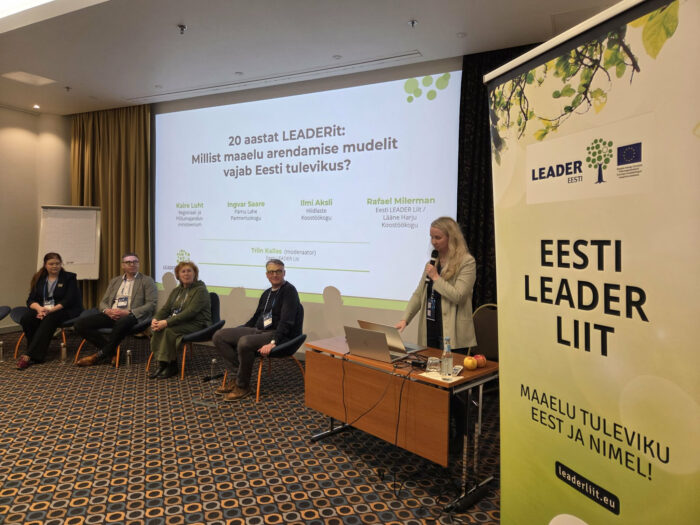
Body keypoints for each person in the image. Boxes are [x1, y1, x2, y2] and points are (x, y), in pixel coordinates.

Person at [213, 259, 302, 401]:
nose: (275, 274)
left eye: (278, 271)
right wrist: (241, 329)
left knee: (244, 342)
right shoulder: (266, 293)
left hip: (278, 334)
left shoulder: (289, 291)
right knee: (219, 335)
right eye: (271, 272)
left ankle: (243, 386)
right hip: (259, 330)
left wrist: (273, 342)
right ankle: (236, 377)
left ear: (284, 273)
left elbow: (287, 322)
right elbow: (256, 318)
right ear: (267, 275)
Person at [396, 217, 476, 352]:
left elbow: (459, 296)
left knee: (450, 366)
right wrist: (405, 319)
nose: (433, 242)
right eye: (431, 237)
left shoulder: (466, 262)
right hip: (430, 328)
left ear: (451, 238)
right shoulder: (432, 263)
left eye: (438, 237)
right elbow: (419, 294)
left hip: (453, 334)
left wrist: (436, 277)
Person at [75, 252, 158, 366]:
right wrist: (107, 311)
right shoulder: (115, 281)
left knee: (122, 322)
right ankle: (112, 352)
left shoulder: (147, 281)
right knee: (80, 324)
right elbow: (103, 302)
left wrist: (128, 312)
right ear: (123, 265)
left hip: (132, 316)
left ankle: (98, 356)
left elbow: (151, 304)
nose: (132, 264)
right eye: (128, 262)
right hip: (112, 314)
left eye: (135, 262)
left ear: (138, 264)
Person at [17, 252, 83, 369]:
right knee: (27, 318)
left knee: (50, 318)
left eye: (57, 263)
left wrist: (49, 311)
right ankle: (34, 350)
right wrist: (39, 309)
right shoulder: (39, 278)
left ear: (61, 264)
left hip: (65, 309)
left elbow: (68, 300)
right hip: (43, 308)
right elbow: (31, 300)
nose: (54, 266)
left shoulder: (69, 277)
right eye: (51, 264)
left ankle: (29, 355)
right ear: (45, 265)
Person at [149, 261, 211, 379]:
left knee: (169, 331)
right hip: (181, 322)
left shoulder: (200, 290)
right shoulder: (176, 291)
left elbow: (190, 313)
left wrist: (166, 322)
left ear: (195, 274)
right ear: (178, 275)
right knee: (157, 328)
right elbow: (166, 308)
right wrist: (156, 319)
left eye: (189, 271)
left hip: (198, 323)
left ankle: (172, 366)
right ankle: (162, 364)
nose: (186, 274)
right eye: (183, 271)